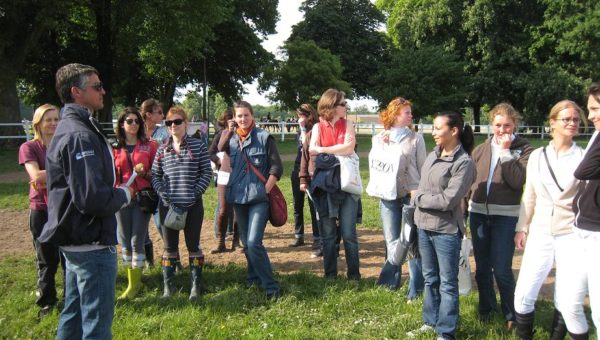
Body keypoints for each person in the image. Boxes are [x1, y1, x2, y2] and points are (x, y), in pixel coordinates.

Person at [40, 63, 133, 339]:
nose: (103, 91)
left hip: (78, 242)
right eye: (96, 86)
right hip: (90, 243)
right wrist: (125, 194)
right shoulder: (79, 134)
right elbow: (92, 198)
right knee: (96, 325)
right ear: (76, 92)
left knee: (75, 314)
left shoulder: (77, 126)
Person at [513, 100, 588, 339]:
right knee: (524, 293)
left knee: (565, 296)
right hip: (541, 231)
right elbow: (530, 194)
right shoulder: (538, 156)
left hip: (572, 234)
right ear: (552, 122)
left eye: (576, 119)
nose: (572, 123)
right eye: (566, 119)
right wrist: (522, 227)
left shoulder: (584, 157)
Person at [407, 111, 475, 340]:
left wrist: (418, 198)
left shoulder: (463, 163)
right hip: (424, 227)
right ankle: (430, 321)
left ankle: (446, 332)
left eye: (438, 128)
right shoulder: (433, 155)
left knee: (447, 282)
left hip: (446, 231)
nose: (433, 132)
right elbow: (425, 186)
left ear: (453, 131)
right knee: (430, 278)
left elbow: (448, 200)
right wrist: (421, 196)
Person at [468, 103, 533, 327]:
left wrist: (505, 152)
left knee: (502, 269)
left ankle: (511, 314)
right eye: (497, 125)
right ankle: (486, 309)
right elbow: (470, 181)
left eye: (507, 125)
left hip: (505, 217)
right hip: (478, 214)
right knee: (482, 268)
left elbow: (517, 181)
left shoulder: (524, 148)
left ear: (514, 124)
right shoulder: (482, 149)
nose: (502, 130)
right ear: (491, 124)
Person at [222, 100, 282, 298]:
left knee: (254, 242)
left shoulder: (264, 137)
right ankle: (252, 278)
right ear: (234, 118)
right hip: (239, 198)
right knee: (247, 244)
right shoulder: (231, 140)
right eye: (239, 116)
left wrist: (265, 189)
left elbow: (276, 167)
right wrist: (224, 135)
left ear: (252, 116)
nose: (243, 119)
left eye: (246, 115)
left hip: (259, 199)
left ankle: (270, 286)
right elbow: (218, 157)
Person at [151, 107, 212, 300]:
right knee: (169, 248)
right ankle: (168, 288)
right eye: (169, 123)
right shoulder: (162, 148)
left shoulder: (198, 146)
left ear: (185, 123)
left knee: (193, 245)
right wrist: (163, 193)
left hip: (193, 205)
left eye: (177, 122)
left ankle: (196, 286)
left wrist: (194, 193)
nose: (173, 126)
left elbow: (206, 172)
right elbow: (155, 175)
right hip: (168, 207)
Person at [368, 97, 426, 296]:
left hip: (411, 194)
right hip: (388, 194)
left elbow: (422, 167)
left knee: (412, 243)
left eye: (410, 112)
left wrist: (419, 190)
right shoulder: (380, 138)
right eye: (406, 112)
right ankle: (390, 283)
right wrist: (382, 145)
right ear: (395, 115)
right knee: (392, 240)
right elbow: (377, 167)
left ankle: (415, 289)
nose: (411, 115)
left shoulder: (416, 138)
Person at [308, 88, 361, 280]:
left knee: (349, 234)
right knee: (328, 235)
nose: (346, 106)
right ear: (331, 106)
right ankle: (330, 275)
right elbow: (311, 150)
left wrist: (323, 150)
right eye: (342, 103)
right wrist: (335, 151)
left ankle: (354, 275)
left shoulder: (348, 124)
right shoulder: (317, 127)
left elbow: (348, 148)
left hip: (347, 184)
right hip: (324, 187)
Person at [18, 103, 63, 318]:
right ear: (38, 123)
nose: (53, 123)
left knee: (67, 257)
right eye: (48, 119)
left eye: (56, 119)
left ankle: (72, 297)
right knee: (46, 258)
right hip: (42, 209)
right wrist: (64, 172)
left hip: (64, 207)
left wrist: (48, 177)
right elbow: (36, 177)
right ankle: (47, 300)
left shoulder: (64, 145)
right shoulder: (29, 148)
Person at [113, 107, 158, 300]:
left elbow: (157, 171)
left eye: (136, 121)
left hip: (142, 197)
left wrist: (145, 174)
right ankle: (133, 276)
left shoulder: (149, 145)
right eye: (129, 121)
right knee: (124, 240)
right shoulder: (114, 147)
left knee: (136, 238)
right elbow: (110, 173)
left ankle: (134, 285)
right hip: (121, 199)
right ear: (122, 124)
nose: (133, 124)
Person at [570, 82, 600, 336]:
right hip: (581, 229)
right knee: (569, 304)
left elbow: (583, 171)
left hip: (598, 234)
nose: (589, 116)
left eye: (595, 108)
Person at [208, 108, 240, 253]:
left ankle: (236, 241)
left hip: (240, 175)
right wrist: (219, 161)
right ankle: (221, 242)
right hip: (224, 174)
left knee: (238, 209)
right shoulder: (222, 134)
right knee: (223, 210)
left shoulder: (243, 134)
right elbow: (213, 151)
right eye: (232, 118)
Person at [140, 98, 167, 267]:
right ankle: (149, 262)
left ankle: (173, 256)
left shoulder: (163, 133)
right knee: (141, 227)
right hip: (141, 186)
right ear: (148, 115)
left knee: (160, 222)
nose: (163, 115)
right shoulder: (136, 132)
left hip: (159, 183)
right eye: (159, 112)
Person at [289, 104, 320, 252]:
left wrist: (302, 129)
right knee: (297, 205)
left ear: (310, 116)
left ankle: (317, 237)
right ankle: (299, 235)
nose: (299, 119)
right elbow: (300, 148)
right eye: (298, 116)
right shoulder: (300, 131)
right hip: (297, 170)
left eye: (302, 116)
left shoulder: (316, 130)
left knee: (313, 206)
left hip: (311, 172)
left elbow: (306, 147)